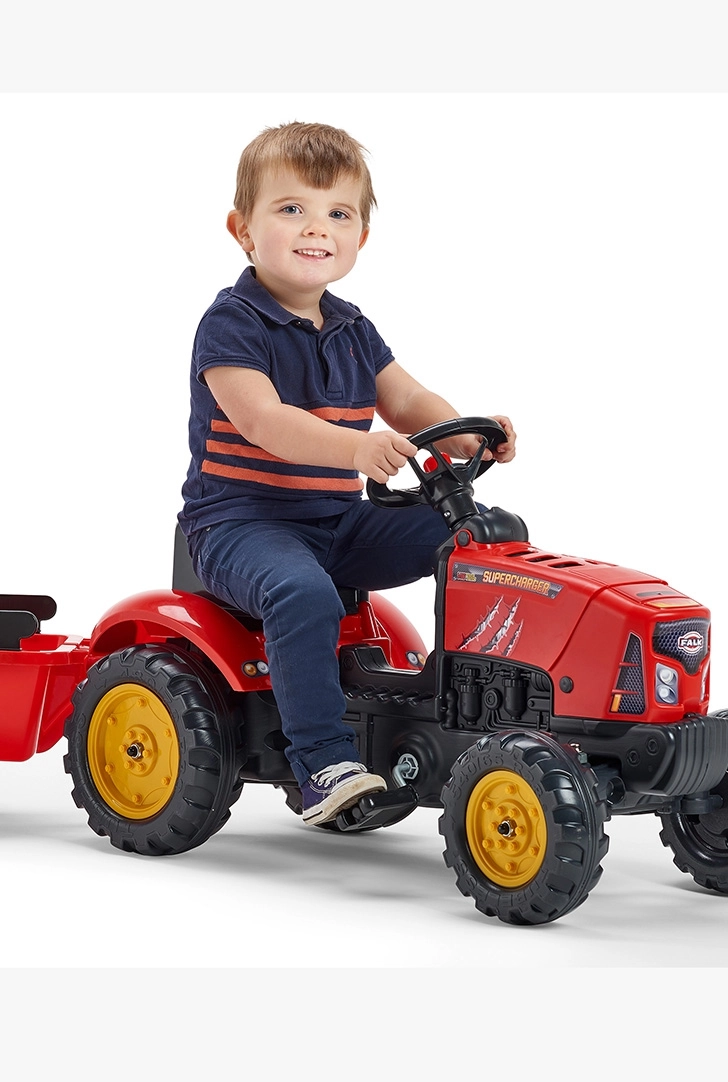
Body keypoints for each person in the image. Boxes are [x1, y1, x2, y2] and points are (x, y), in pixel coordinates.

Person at [178, 121, 516, 826]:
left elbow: (408, 399)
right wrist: (358, 451)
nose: (316, 228)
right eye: (291, 208)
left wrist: (465, 432)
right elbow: (265, 421)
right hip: (240, 525)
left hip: (338, 523)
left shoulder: (353, 327)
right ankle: (323, 764)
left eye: (338, 213)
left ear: (361, 236)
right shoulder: (232, 324)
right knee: (301, 591)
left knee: (486, 539)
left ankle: (479, 705)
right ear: (243, 230)